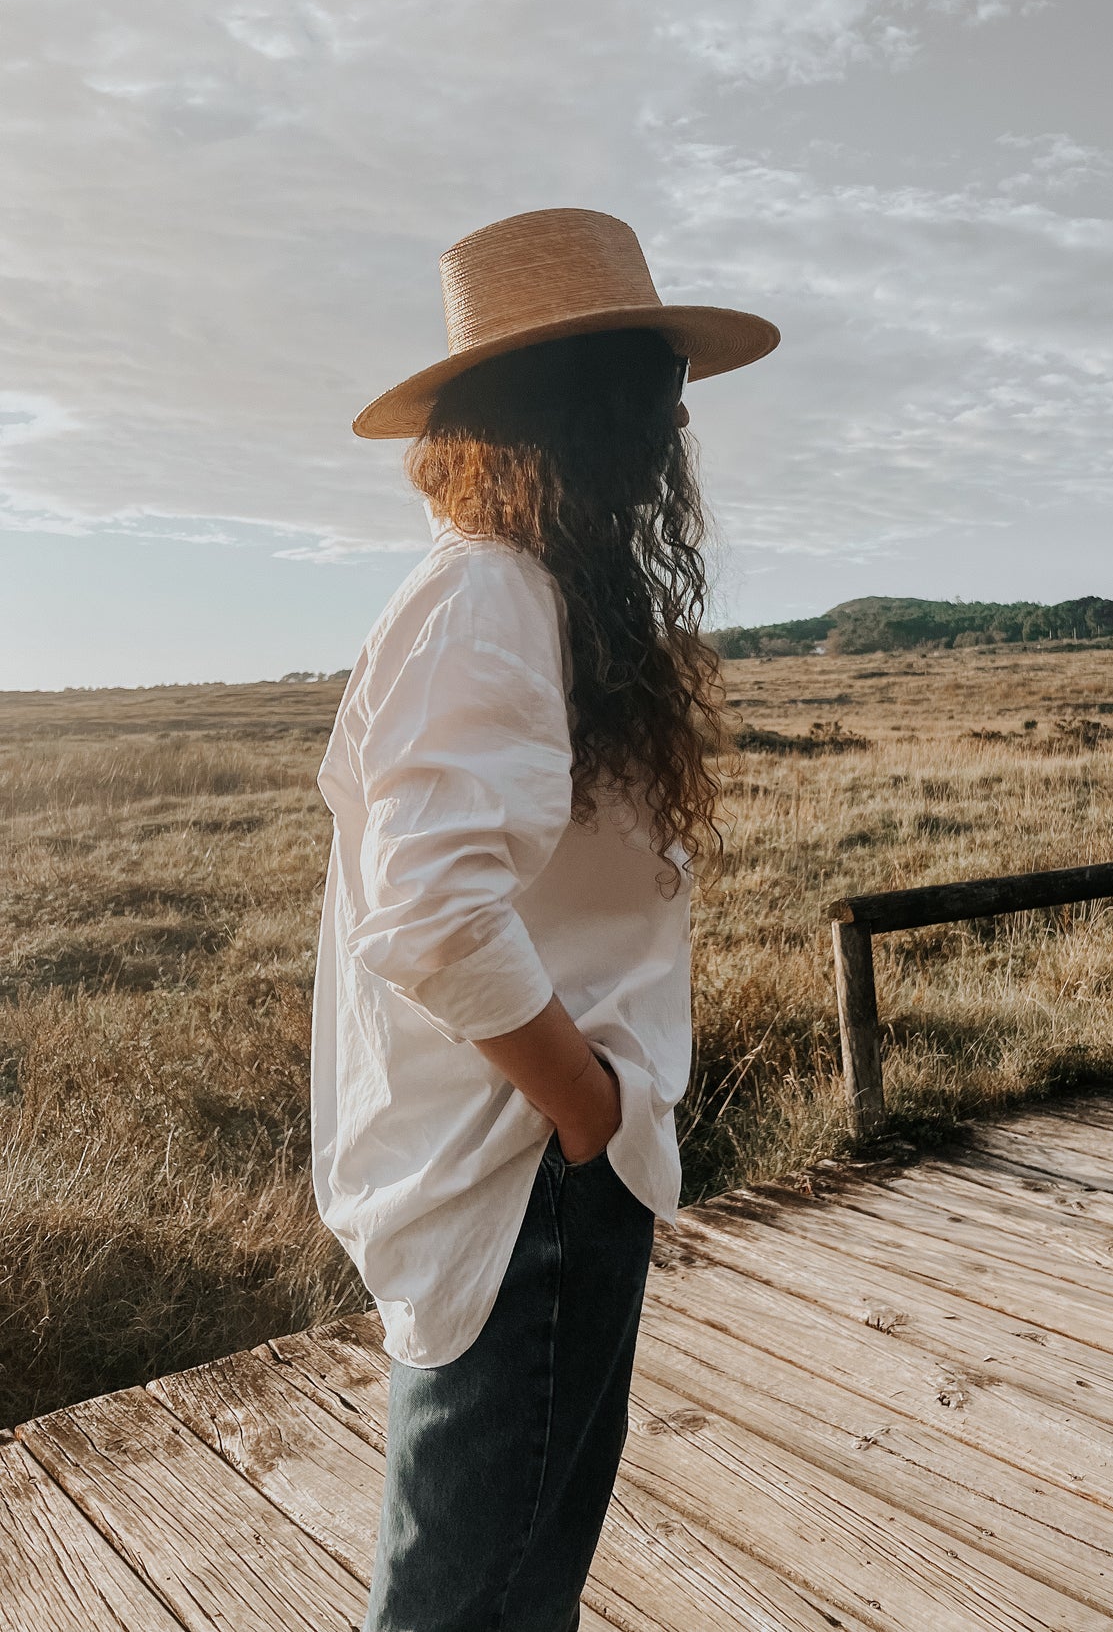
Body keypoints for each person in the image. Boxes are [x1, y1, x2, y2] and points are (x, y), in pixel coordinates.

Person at [310, 207, 779, 1632]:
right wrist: (583, 1107)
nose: (672, 416)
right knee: (480, 1601)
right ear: (580, 408)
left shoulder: (514, 590)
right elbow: (436, 911)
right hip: (528, 1171)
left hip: (536, 1166)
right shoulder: (491, 595)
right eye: (648, 381)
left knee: (501, 1581)